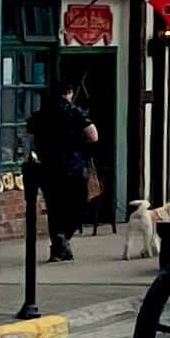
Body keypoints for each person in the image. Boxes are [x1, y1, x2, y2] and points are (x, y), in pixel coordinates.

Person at [29, 83, 98, 260]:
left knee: (54, 207)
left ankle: (58, 246)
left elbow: (29, 133)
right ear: (69, 93)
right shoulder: (76, 112)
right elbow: (93, 136)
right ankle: (64, 237)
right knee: (78, 203)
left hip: (48, 167)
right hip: (72, 166)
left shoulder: (42, 114)